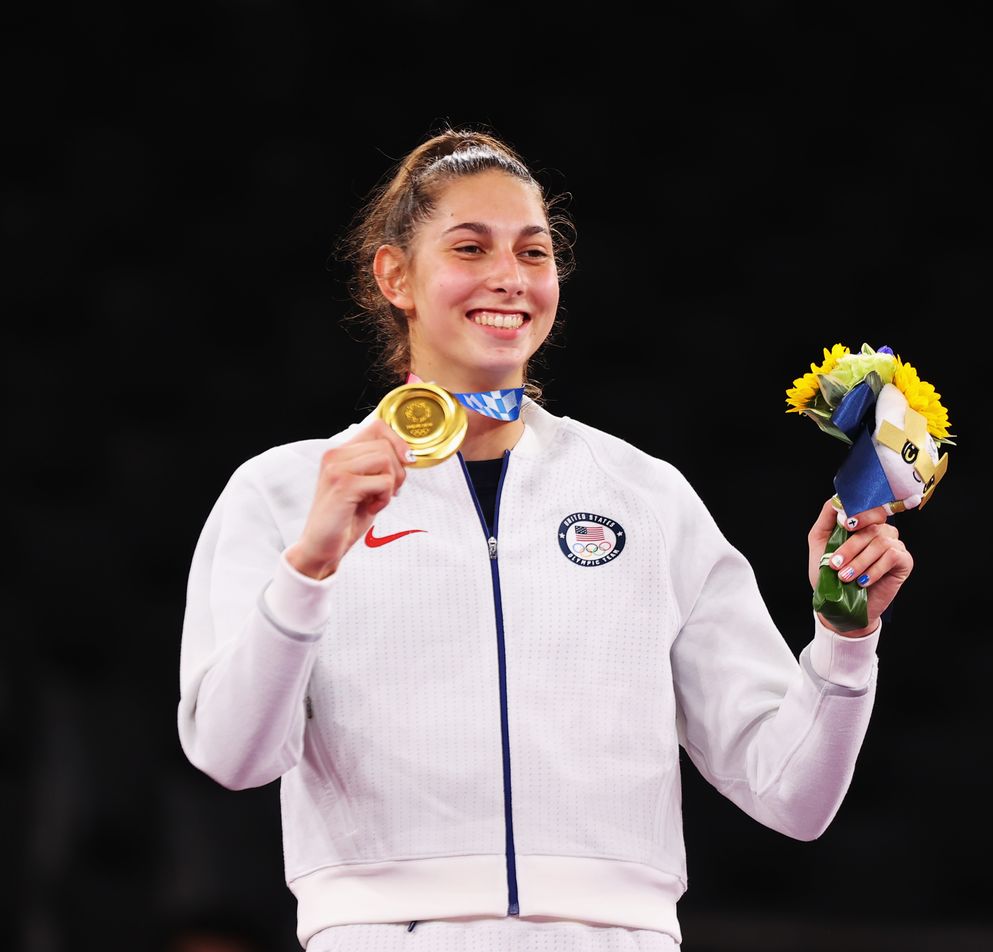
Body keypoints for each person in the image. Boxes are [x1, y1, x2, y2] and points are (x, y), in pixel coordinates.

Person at [176, 126, 915, 952]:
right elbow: (231, 755)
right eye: (470, 247)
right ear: (395, 276)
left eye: (533, 252)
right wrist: (310, 566)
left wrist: (845, 638)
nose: (509, 277)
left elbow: (792, 796)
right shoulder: (286, 492)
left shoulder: (646, 497)